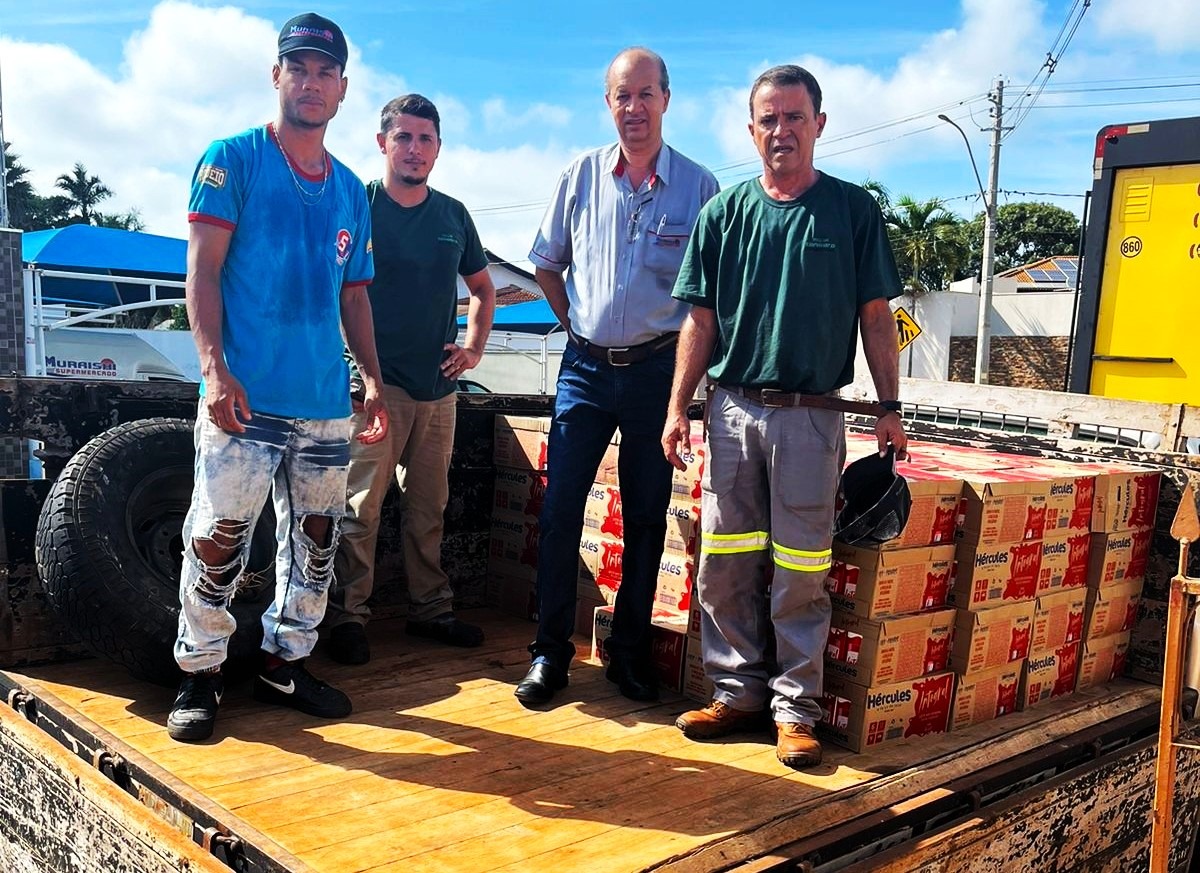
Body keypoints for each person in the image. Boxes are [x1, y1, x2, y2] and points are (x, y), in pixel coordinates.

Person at [661, 64, 908, 770]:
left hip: (812, 416)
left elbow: (875, 317)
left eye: (795, 117)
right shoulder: (724, 214)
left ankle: (794, 712)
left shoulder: (851, 212)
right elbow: (698, 323)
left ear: (819, 125)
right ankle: (736, 693)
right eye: (768, 119)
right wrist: (678, 409)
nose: (781, 131)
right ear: (751, 130)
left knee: (802, 568)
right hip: (733, 412)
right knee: (727, 564)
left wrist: (890, 408)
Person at [166, 12, 388, 743]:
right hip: (244, 396)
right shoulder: (233, 160)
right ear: (277, 75)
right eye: (299, 67)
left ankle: (284, 659)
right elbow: (202, 270)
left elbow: (353, 295)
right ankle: (199, 671)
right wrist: (214, 370)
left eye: (326, 71)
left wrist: (374, 382)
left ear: (344, 88)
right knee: (220, 534)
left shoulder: (354, 190)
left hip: (325, 401)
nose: (312, 82)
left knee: (317, 539)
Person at [514, 47, 719, 706]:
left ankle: (627, 655)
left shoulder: (699, 187)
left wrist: (690, 393)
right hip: (584, 368)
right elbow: (547, 263)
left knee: (647, 517)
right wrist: (574, 324)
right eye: (621, 96)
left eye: (645, 94)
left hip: (659, 370)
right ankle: (549, 654)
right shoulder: (578, 177)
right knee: (559, 509)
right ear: (609, 103)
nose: (633, 108)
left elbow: (708, 301)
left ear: (666, 98)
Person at [327, 94, 496, 664]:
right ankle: (347, 617)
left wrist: (472, 347)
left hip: (439, 390)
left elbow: (483, 287)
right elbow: (335, 289)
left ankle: (431, 609)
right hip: (375, 386)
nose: (415, 149)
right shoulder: (358, 203)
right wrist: (355, 370)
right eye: (404, 137)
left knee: (430, 507)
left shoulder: (453, 215)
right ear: (382, 143)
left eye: (426, 139)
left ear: (438, 149)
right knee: (360, 509)